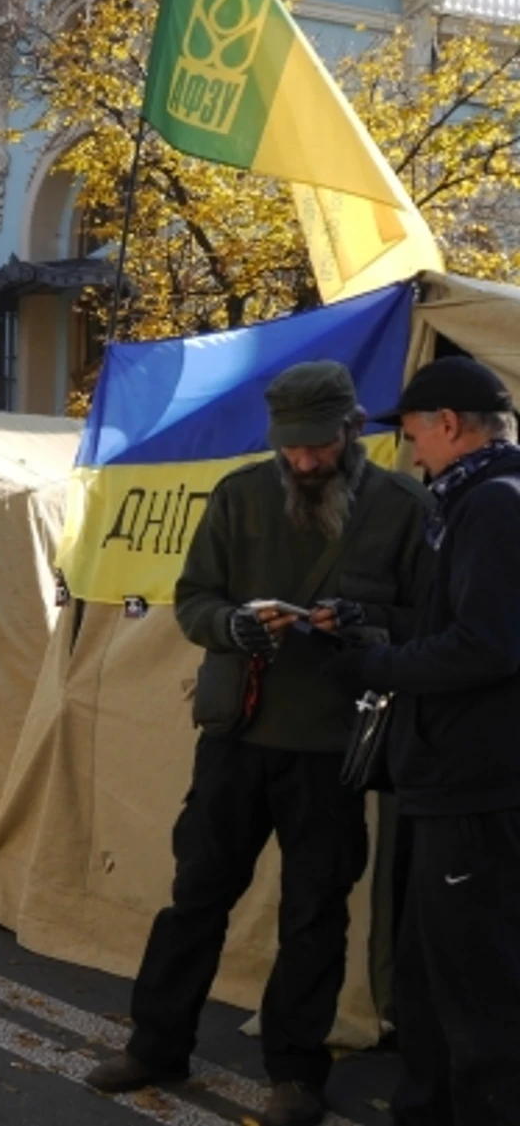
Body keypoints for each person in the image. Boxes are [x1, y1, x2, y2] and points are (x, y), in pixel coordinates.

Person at [85, 362, 432, 1126]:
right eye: (291, 446)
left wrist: (366, 623)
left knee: (315, 915)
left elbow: (430, 624)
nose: (304, 460)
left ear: (352, 430)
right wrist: (234, 624)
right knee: (195, 897)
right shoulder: (239, 495)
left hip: (333, 750)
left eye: (318, 446)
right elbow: (194, 599)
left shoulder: (404, 509)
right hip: (237, 735)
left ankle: (296, 1075)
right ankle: (155, 1044)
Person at [325, 358, 520, 1126]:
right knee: (429, 973)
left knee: (474, 991)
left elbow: (487, 645)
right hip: (457, 780)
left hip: (475, 784)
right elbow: (462, 623)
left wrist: (375, 665)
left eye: (413, 436)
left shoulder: (493, 503)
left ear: (449, 423)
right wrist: (370, 622)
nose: (411, 454)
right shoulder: (479, 498)